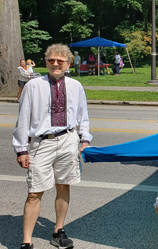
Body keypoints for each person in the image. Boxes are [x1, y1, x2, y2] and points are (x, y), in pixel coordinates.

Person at [13, 43, 92, 249]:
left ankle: (59, 230)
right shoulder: (33, 85)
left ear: (68, 63)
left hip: (68, 140)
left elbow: (83, 115)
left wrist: (84, 139)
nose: (55, 64)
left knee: (63, 185)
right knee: (34, 192)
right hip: (42, 143)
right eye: (51, 60)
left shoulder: (75, 86)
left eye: (60, 61)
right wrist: (21, 149)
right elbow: (23, 119)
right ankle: (27, 241)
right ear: (46, 62)